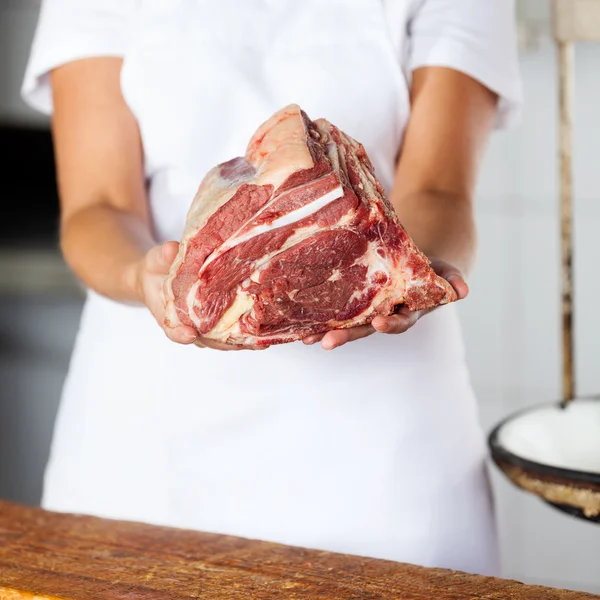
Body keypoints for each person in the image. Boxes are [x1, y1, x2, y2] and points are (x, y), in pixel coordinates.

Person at [22, 0, 522, 577]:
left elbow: (439, 191)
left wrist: (398, 274)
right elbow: (98, 207)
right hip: (148, 437)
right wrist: (143, 274)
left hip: (382, 451)